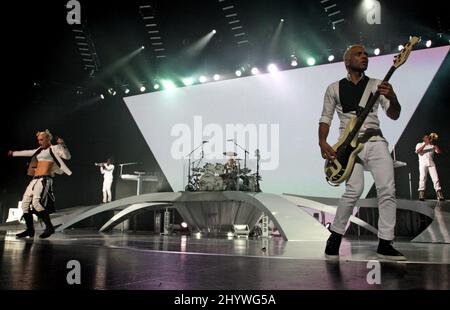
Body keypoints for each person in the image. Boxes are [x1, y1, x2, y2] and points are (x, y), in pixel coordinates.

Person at [319, 45, 406, 261]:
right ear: (347, 61)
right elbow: (325, 118)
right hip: (347, 146)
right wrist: (322, 142)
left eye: (366, 54)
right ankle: (335, 236)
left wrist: (393, 97)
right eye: (359, 54)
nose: (364, 57)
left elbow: (394, 114)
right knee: (354, 189)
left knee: (387, 189)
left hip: (375, 140)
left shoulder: (378, 85)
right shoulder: (333, 88)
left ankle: (385, 242)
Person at [8, 130, 71, 239]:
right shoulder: (39, 150)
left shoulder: (54, 148)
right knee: (25, 204)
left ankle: (49, 227)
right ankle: (29, 230)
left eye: (41, 140)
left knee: (36, 203)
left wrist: (62, 144)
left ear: (48, 139)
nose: (39, 142)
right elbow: (27, 152)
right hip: (35, 179)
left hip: (44, 179)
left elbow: (67, 156)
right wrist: (13, 153)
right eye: (38, 140)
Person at [415, 133, 444, 201]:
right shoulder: (419, 144)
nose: (428, 138)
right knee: (423, 178)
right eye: (426, 137)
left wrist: (436, 147)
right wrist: (425, 144)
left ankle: (439, 193)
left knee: (435, 178)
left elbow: (439, 152)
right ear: (423, 139)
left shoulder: (432, 145)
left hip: (431, 163)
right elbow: (417, 151)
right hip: (423, 163)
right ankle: (421, 193)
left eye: (428, 137)